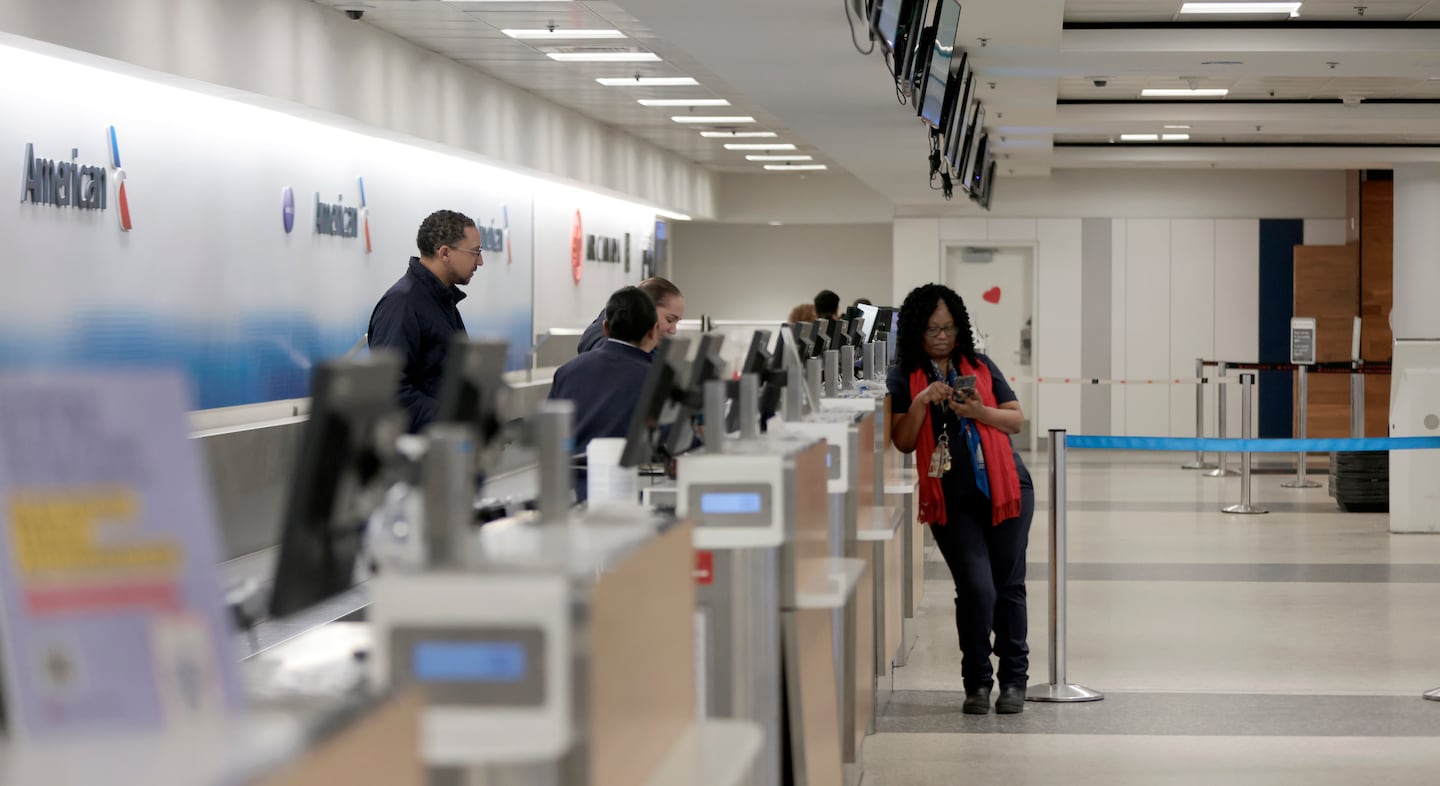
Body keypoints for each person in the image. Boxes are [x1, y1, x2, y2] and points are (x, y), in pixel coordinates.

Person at [886, 283, 1034, 716]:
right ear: (917, 330)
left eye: (949, 328)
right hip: (951, 499)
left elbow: (1016, 420)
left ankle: (1013, 680)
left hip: (1007, 489)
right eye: (932, 328)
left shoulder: (981, 366)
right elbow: (904, 442)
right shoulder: (904, 375)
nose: (941, 336)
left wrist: (977, 411)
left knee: (1008, 588)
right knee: (976, 589)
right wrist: (919, 402)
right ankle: (977, 682)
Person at [368, 209, 483, 433]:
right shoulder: (402, 303)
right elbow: (392, 392)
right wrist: (450, 420)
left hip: (447, 447)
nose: (480, 261)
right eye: (475, 252)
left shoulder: (443, 301)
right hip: (420, 457)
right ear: (445, 253)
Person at [549, 286, 663, 455]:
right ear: (654, 331)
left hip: (569, 476)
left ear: (605, 328)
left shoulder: (566, 372)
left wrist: (569, 452)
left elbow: (553, 435)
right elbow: (668, 439)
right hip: (627, 477)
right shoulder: (655, 378)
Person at [576, 277, 684, 353]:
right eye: (669, 320)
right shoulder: (604, 341)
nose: (673, 331)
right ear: (646, 308)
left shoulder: (646, 342)